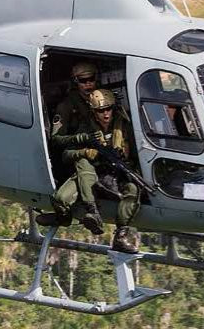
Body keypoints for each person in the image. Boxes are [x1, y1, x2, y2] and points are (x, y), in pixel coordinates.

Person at [40, 88, 141, 253]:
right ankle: (65, 217)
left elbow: (138, 154)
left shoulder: (125, 127)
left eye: (108, 109)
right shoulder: (86, 128)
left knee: (133, 190)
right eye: (101, 110)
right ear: (94, 112)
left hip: (118, 174)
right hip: (91, 173)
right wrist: (86, 152)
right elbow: (66, 154)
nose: (106, 114)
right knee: (60, 198)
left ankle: (121, 235)